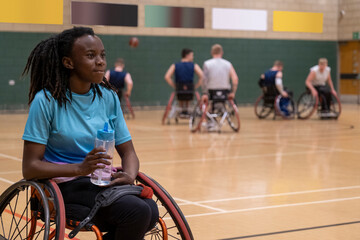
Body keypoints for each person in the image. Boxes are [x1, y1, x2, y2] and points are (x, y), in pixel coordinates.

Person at [21, 27, 158, 240]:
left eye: (102, 55)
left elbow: (129, 152)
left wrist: (129, 176)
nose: (101, 61)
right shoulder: (46, 101)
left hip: (100, 181)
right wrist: (80, 168)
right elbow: (30, 168)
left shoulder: (108, 98)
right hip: (63, 186)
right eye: (91, 56)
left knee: (150, 209)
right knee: (137, 211)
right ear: (68, 62)